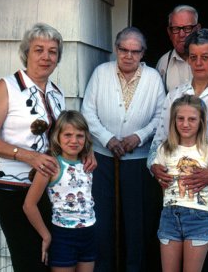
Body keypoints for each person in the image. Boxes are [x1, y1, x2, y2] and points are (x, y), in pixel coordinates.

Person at [0, 23, 96, 272]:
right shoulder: (7, 87)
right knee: (29, 262)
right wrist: (27, 156)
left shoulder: (56, 92)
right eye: (39, 49)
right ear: (27, 53)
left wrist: (88, 151)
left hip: (47, 192)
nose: (46, 56)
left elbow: (64, 136)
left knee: (49, 262)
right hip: (14, 190)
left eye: (52, 52)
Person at [148, 28, 208, 272]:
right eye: (194, 57)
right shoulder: (176, 96)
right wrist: (153, 167)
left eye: (205, 57)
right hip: (175, 192)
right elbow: (158, 141)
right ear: (187, 59)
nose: (199, 63)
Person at [81, 26, 165, 272]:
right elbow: (88, 112)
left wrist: (139, 136)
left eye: (135, 51)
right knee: (103, 220)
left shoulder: (153, 78)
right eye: (123, 50)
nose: (128, 56)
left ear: (143, 53)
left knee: (135, 222)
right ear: (116, 49)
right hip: (102, 158)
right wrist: (107, 138)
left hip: (138, 161)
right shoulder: (101, 73)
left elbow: (161, 116)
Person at [154, 95, 208, 272]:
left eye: (192, 119)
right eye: (180, 118)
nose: (185, 124)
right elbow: (163, 183)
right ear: (173, 120)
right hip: (169, 217)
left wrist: (206, 210)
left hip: (199, 218)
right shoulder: (164, 149)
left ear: (201, 121)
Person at [24, 110, 96, 272]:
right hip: (63, 236)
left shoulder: (88, 163)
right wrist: (46, 235)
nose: (74, 140)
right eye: (68, 135)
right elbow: (29, 205)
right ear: (57, 137)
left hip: (89, 233)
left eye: (80, 136)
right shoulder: (51, 166)